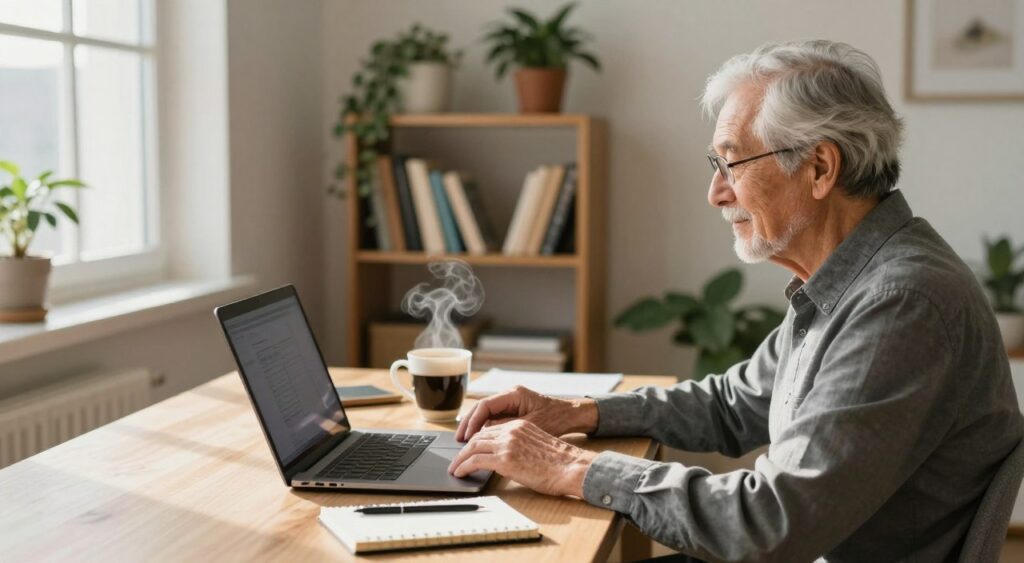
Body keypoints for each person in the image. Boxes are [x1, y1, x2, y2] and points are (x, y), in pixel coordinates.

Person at [447, 40, 1024, 562]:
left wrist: (569, 465)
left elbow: (768, 523)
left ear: (820, 168)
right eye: (715, 164)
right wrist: (579, 413)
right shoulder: (858, 277)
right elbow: (736, 403)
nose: (715, 192)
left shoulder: (901, 303)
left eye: (733, 163)